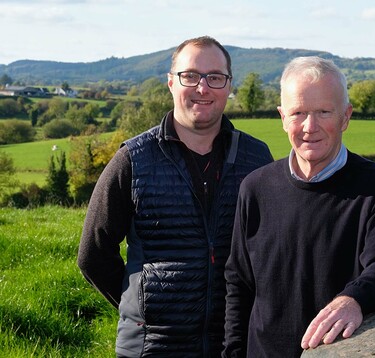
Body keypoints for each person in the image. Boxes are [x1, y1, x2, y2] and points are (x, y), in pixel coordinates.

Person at [77, 36, 273, 357]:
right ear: (171, 83)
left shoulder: (256, 157)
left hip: (235, 344)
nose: (202, 87)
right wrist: (140, 311)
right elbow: (93, 254)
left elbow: (272, 249)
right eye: (190, 75)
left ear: (228, 85)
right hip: (152, 347)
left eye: (215, 77)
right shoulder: (133, 158)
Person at [222, 56, 375, 357]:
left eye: (324, 112)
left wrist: (353, 300)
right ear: (283, 117)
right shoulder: (255, 188)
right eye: (298, 113)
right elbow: (238, 283)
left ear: (345, 117)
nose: (310, 126)